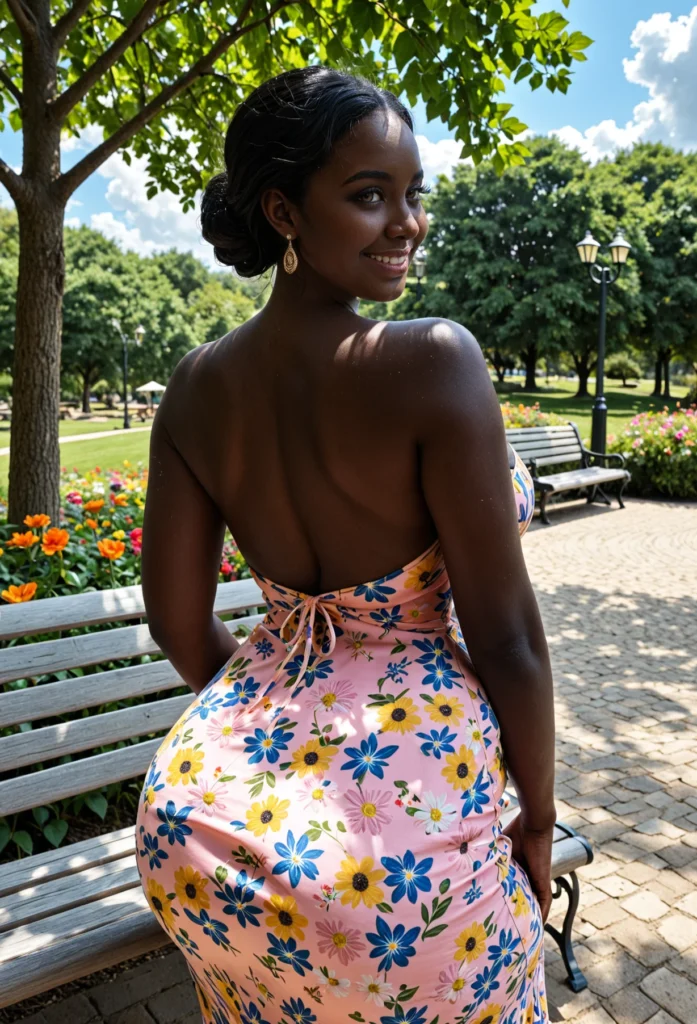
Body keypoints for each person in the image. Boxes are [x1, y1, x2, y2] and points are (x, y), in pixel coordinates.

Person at [137, 65, 556, 1024]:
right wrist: (535, 820)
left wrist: (268, 718)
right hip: (402, 856)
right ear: (283, 211)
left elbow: (176, 623)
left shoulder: (195, 389)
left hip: (201, 836)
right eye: (369, 196)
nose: (404, 221)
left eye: (413, 194)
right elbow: (507, 643)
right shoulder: (430, 362)